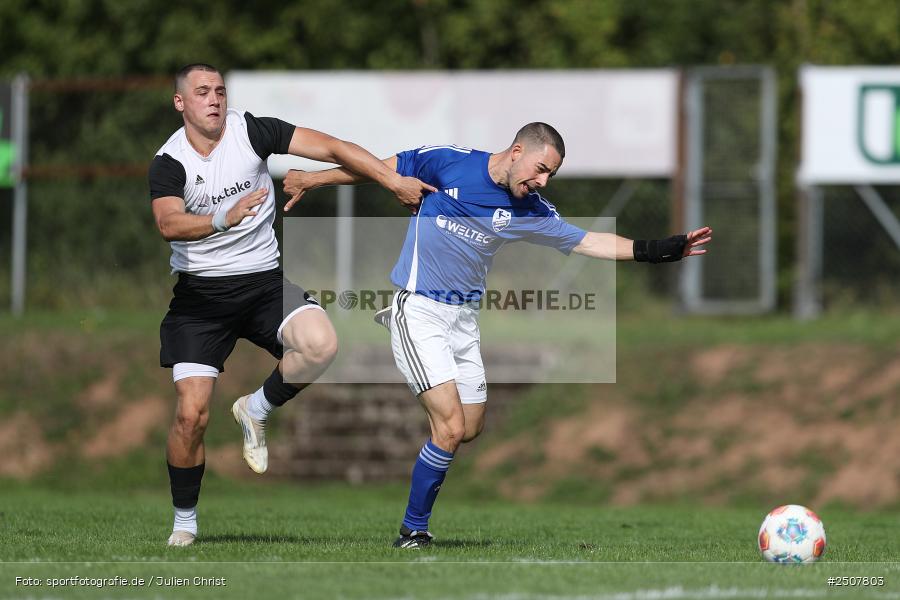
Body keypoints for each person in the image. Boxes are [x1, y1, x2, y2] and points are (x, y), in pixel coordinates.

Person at [282, 122, 712, 549]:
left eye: (551, 175)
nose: (542, 181)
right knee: (449, 428)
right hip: (419, 310)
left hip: (463, 322)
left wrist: (660, 250)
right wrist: (314, 179)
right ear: (517, 151)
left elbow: (589, 242)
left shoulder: (531, 209)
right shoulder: (450, 162)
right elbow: (378, 168)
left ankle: (435, 427)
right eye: (540, 168)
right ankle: (413, 531)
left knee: (468, 427)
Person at [149, 63, 435, 547]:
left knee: (321, 344)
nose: (214, 99)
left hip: (262, 283)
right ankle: (184, 522)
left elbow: (334, 148)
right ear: (181, 103)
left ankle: (256, 409)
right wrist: (223, 216)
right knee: (191, 415)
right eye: (202, 92)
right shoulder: (169, 161)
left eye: (219, 90)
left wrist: (391, 181)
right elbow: (169, 224)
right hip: (201, 297)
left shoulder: (251, 131)